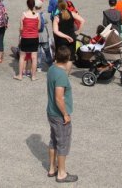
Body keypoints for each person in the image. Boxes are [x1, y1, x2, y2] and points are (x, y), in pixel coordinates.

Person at [46, 45, 76, 183]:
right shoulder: (61, 75)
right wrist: (65, 114)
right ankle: (62, 174)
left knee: (53, 140)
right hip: (59, 115)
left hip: (51, 112)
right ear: (67, 58)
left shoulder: (52, 69)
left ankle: (52, 168)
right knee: (63, 143)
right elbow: (59, 97)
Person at [15, 0, 40, 81]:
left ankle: (20, 75)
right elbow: (39, 27)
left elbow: (21, 28)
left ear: (27, 4)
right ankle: (33, 76)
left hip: (25, 37)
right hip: (34, 37)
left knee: (22, 57)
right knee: (34, 57)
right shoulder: (37, 15)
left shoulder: (24, 14)